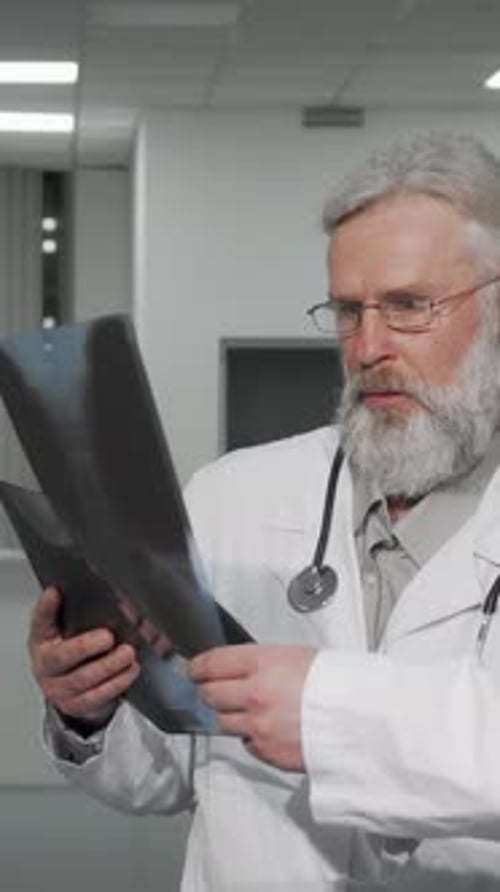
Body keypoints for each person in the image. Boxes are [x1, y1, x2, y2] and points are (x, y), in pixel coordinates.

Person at [29, 131, 500, 890]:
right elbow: (164, 779)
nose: (369, 345)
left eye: (411, 306)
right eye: (348, 311)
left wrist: (323, 710)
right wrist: (92, 709)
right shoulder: (233, 496)